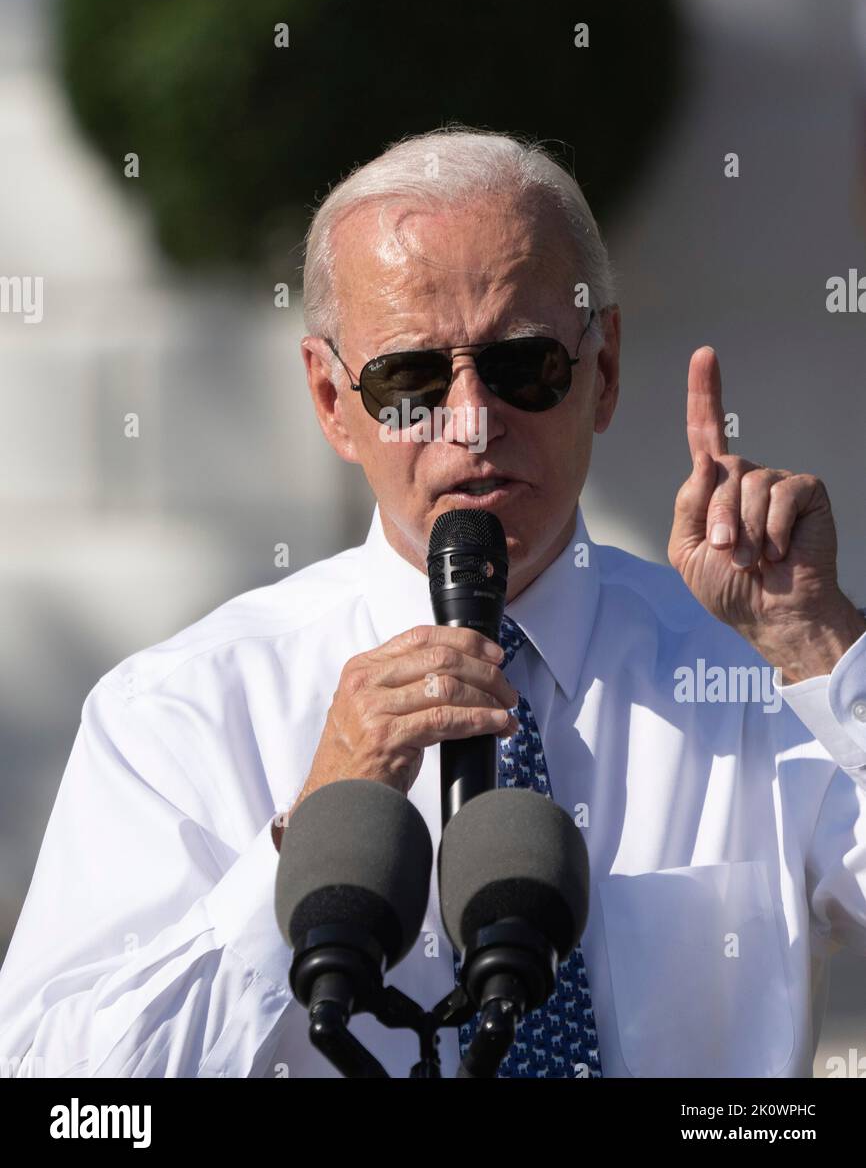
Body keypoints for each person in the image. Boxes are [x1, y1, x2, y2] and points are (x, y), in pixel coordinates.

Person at [1, 127, 864, 1079]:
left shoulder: (752, 674)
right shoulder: (183, 712)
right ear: (333, 399)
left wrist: (819, 642)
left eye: (521, 365)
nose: (471, 421)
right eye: (408, 380)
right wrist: (314, 827)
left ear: (604, 371)